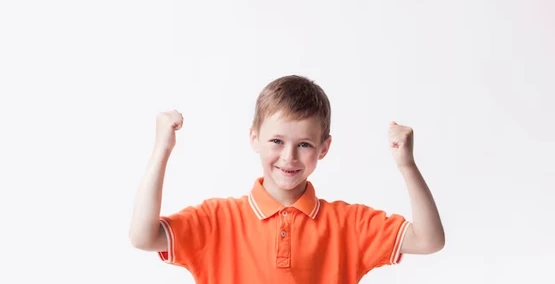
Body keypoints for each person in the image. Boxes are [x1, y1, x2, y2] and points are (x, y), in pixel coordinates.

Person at [129, 75, 445, 283]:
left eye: (304, 144)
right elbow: (143, 237)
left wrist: (407, 165)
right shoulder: (217, 220)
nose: (289, 157)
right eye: (277, 141)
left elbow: (429, 240)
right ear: (254, 138)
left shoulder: (348, 224)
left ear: (324, 148)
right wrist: (162, 149)